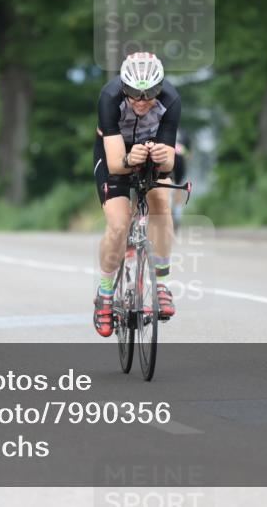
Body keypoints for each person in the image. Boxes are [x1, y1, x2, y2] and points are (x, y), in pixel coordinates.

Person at [92, 51, 181, 337]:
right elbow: (117, 162)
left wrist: (158, 155)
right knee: (118, 225)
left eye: (149, 94)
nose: (142, 102)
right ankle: (105, 294)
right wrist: (132, 159)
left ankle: (162, 282)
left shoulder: (171, 100)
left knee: (161, 205)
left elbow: (169, 161)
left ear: (160, 88)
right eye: (134, 94)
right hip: (115, 153)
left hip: (151, 149)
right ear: (124, 87)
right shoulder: (109, 97)